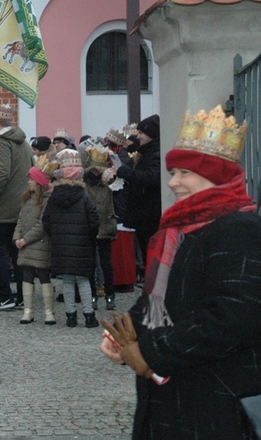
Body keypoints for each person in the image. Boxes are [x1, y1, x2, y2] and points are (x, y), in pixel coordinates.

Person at [100, 106, 261, 439]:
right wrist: (122, 335)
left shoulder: (240, 229)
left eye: (184, 173)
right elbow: (155, 298)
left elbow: (230, 322)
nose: (173, 182)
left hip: (219, 402)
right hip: (174, 399)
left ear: (215, 175)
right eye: (173, 172)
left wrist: (148, 352)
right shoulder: (176, 229)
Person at [0, 103, 33, 311]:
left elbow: (1, 172)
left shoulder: (2, 143)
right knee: (17, 253)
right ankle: (22, 297)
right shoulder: (24, 143)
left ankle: (4, 295)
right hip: (20, 206)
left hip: (2, 208)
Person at [42, 149, 99, 328]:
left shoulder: (54, 197)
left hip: (61, 245)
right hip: (82, 244)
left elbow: (46, 220)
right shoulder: (84, 197)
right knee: (83, 280)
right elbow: (94, 221)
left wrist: (56, 235)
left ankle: (70, 316)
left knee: (67, 281)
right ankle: (89, 316)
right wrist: (90, 237)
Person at [116, 114, 161, 282]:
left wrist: (125, 172)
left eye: (141, 133)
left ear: (151, 134)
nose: (138, 136)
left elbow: (151, 178)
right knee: (147, 254)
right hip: (144, 215)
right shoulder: (144, 152)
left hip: (150, 215)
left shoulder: (155, 152)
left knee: (152, 256)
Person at [13, 158, 55, 324]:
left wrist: (25, 239)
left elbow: (42, 224)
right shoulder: (27, 199)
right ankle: (27, 310)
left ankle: (48, 311)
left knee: (44, 275)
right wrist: (17, 237)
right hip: (25, 243)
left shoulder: (46, 200)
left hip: (39, 244)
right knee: (27, 275)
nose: (29, 182)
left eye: (31, 179)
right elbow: (21, 220)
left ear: (38, 182)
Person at [83, 144, 118, 311]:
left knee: (106, 263)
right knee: (90, 264)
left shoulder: (110, 183)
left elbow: (121, 168)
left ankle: (110, 295)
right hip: (89, 227)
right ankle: (92, 295)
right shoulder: (84, 183)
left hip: (105, 225)